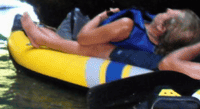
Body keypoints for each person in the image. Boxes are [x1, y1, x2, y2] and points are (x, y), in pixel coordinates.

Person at [20, 7, 200, 70]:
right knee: (66, 40)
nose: (166, 9)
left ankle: (39, 37)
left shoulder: (126, 25)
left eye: (169, 13)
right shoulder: (167, 46)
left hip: (89, 41)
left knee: (73, 34)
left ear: (161, 28)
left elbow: (83, 38)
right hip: (103, 42)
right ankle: (40, 33)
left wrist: (102, 15)